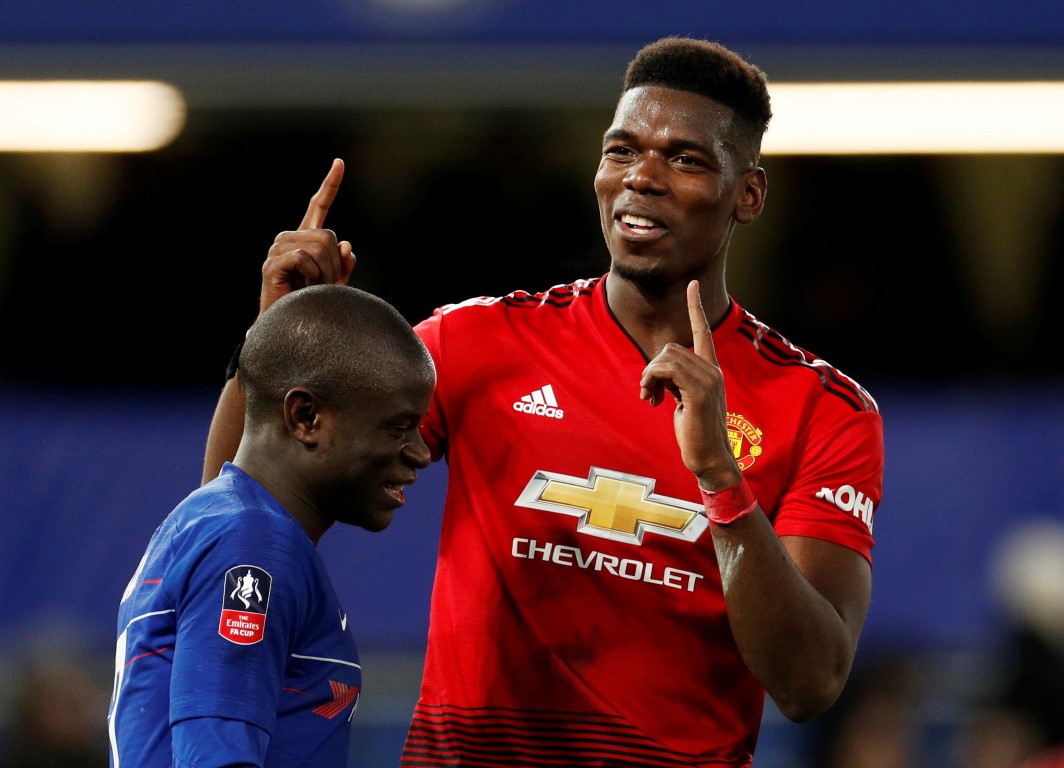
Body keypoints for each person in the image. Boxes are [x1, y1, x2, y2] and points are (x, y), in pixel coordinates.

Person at [203, 35, 884, 767]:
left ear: (747, 194)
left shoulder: (824, 409)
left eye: (684, 159)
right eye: (622, 151)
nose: (641, 179)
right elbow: (240, 512)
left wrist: (721, 478)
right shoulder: (474, 345)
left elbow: (810, 683)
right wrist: (271, 348)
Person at [110, 284, 436, 767]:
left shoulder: (219, 521)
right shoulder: (252, 543)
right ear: (306, 417)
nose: (421, 453)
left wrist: (272, 322)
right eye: (398, 427)